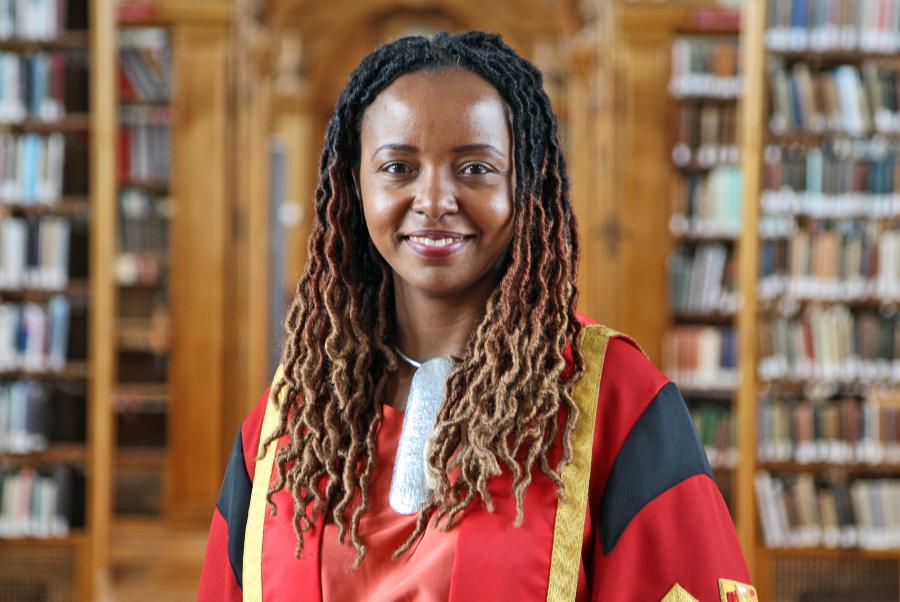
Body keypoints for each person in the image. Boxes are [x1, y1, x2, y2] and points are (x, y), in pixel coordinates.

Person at [198, 31, 754, 602]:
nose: (434, 200)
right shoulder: (294, 419)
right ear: (353, 185)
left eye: (475, 169)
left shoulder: (615, 400)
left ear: (526, 185)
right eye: (397, 167)